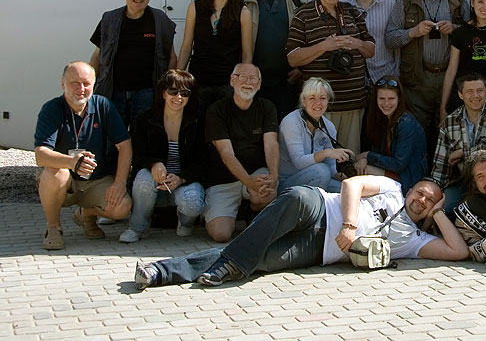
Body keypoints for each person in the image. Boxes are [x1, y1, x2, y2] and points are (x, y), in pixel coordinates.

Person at [132, 177, 466, 290]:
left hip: (318, 250)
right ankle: (227, 264)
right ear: (410, 190)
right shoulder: (392, 189)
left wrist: (439, 215)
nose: (421, 200)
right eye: (419, 192)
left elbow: (458, 252)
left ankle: (160, 272)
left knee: (257, 258)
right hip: (319, 207)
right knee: (293, 197)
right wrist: (349, 225)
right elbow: (351, 184)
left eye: (430, 200)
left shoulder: (414, 241)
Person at [34, 62, 134, 250]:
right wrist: (72, 162)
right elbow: (41, 155)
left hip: (97, 179)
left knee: (122, 207)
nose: (81, 89)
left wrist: (120, 182)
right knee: (55, 173)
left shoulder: (103, 105)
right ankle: (53, 228)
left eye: (86, 84)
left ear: (94, 85)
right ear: (62, 84)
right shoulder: (51, 109)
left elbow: (125, 145)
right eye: (75, 83)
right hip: (67, 180)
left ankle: (86, 214)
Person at [286, 0, 375, 154]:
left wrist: (357, 43)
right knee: (321, 161)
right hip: (319, 107)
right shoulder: (303, 15)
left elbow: (370, 50)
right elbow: (292, 58)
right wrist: (324, 46)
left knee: (349, 158)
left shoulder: (352, 12)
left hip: (352, 104)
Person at [386, 0, 466, 146]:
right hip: (417, 81)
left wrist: (455, 29)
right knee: (417, 135)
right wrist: (413, 32)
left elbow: (473, 36)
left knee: (449, 134)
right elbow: (390, 39)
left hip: (450, 79)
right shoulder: (406, 0)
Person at [121, 69, 207, 243]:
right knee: (144, 178)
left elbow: (204, 161)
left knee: (193, 203)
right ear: (163, 93)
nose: (178, 97)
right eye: (173, 91)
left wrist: (181, 178)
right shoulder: (145, 119)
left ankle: (185, 224)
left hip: (183, 183)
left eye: (185, 93)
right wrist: (154, 164)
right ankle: (137, 227)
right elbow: (137, 155)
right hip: (153, 184)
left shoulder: (198, 121)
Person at [202, 63, 279, 242]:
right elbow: (226, 153)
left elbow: (271, 144)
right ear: (232, 80)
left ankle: (250, 210)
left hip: (255, 173)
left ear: (259, 84)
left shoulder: (267, 107)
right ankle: (229, 213)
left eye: (253, 79)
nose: (248, 83)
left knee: (267, 192)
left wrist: (274, 175)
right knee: (220, 234)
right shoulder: (216, 110)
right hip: (223, 179)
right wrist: (248, 182)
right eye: (242, 77)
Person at [90, 0, 177, 127]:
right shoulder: (109, 19)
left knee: (143, 136)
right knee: (113, 137)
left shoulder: (160, 20)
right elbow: (97, 56)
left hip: (148, 93)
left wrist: (168, 89)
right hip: (113, 92)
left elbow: (171, 57)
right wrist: (89, 85)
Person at [430, 73, 486, 211]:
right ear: (460, 94)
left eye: (480, 90)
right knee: (444, 206)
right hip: (464, 180)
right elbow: (440, 166)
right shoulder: (449, 123)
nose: (475, 95)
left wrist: (463, 152)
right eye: (469, 91)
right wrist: (434, 191)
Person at [178, 0, 253, 110]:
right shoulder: (195, 8)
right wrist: (177, 77)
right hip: (198, 80)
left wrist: (242, 82)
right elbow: (186, 46)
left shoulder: (243, 12)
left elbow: (247, 53)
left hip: (228, 83)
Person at [243, 0, 306, 117]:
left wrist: (302, 68)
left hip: (287, 82)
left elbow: (308, 38)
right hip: (253, 82)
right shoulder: (241, 3)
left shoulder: (298, 1)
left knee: (286, 128)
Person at [355, 76, 428, 194]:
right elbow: (378, 151)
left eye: (391, 98)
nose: (386, 103)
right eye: (381, 98)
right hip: (391, 172)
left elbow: (398, 164)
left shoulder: (406, 124)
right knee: (357, 168)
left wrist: (368, 156)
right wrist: (364, 159)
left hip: (407, 180)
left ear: (399, 99)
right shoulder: (382, 119)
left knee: (359, 172)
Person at [277, 78, 350, 193]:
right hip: (288, 181)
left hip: (316, 178)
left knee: (348, 190)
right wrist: (325, 153)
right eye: (312, 98)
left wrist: (345, 176)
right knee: (322, 170)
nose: (318, 103)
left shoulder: (328, 126)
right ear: (303, 101)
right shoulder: (291, 122)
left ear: (328, 100)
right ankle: (314, 204)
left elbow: (330, 165)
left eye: (322, 98)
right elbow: (299, 162)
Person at [344, 0, 399, 85]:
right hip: (353, 76)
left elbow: (396, 44)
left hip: (384, 76)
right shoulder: (343, 8)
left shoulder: (391, 7)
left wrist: (396, 75)